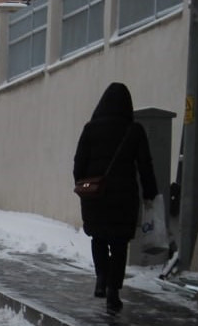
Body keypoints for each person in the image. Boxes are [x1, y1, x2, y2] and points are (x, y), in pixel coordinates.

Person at [73, 82, 157, 312]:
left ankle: (101, 277)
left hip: (95, 195)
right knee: (119, 245)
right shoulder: (134, 130)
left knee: (98, 238)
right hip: (124, 197)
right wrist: (150, 192)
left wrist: (83, 185)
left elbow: (78, 163)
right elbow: (145, 165)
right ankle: (113, 291)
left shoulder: (90, 129)